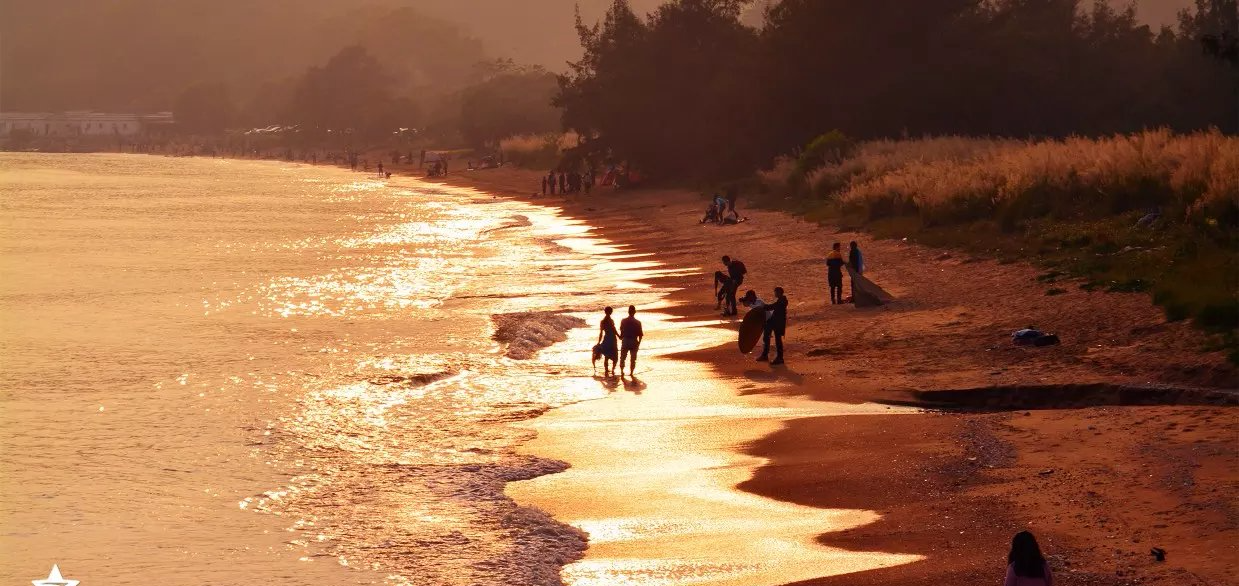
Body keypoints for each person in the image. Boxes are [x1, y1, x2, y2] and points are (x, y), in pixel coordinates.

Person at [757, 287, 787, 365]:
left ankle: (779, 358)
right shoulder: (781, 300)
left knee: (777, 340)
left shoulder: (782, 301)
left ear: (780, 293)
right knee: (767, 336)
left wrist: (763, 307)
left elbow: (772, 307)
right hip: (775, 322)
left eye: (776, 292)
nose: (775, 294)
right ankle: (766, 355)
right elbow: (772, 307)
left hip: (778, 323)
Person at [619, 305, 644, 377]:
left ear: (628, 312)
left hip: (626, 340)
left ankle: (622, 372)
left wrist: (619, 337)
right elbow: (640, 335)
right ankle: (631, 373)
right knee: (633, 359)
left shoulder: (623, 321)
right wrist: (638, 344)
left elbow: (621, 333)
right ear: (635, 312)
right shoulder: (638, 322)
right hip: (634, 341)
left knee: (623, 357)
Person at [595, 306, 620, 376]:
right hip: (612, 339)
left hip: (606, 339)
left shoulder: (602, 321)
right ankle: (613, 369)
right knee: (615, 356)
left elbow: (601, 333)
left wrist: (599, 342)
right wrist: (619, 336)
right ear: (610, 312)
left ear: (605, 312)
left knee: (606, 355)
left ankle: (606, 370)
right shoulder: (611, 321)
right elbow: (614, 330)